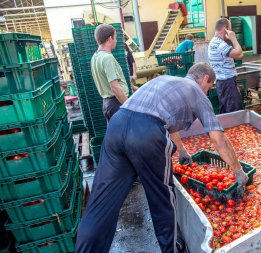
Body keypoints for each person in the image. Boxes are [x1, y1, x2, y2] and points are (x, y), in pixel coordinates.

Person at [75, 62, 249, 253]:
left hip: (117, 125)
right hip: (146, 133)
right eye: (209, 88)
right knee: (162, 198)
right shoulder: (196, 92)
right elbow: (218, 138)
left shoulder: (163, 80)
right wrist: (238, 171)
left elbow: (166, 121)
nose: (207, 92)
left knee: (102, 200)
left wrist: (182, 151)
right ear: (205, 79)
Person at [91, 24, 130, 123]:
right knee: (125, 137)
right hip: (116, 104)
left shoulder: (95, 57)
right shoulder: (107, 58)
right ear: (110, 39)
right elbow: (115, 87)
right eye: (115, 38)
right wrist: (129, 106)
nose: (116, 41)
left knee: (116, 136)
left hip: (108, 104)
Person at [208, 18, 243, 114]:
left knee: (227, 112)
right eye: (230, 29)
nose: (231, 31)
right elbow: (239, 51)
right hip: (227, 82)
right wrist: (233, 38)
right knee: (235, 113)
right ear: (225, 29)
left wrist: (229, 41)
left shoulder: (217, 42)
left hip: (223, 82)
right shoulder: (219, 44)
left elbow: (240, 55)